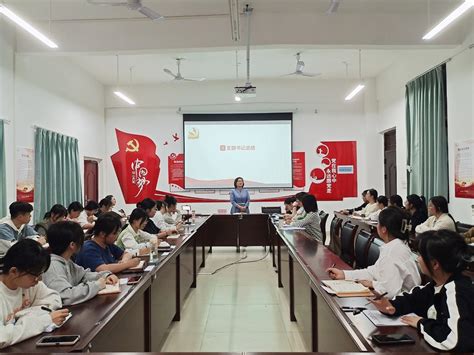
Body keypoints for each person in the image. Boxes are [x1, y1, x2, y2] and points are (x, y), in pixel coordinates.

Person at [370, 230, 474, 352]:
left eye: (420, 255)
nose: (417, 259)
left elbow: (452, 340)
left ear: (435, 264)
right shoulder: (436, 284)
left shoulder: (458, 291)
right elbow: (413, 299)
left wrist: (421, 323)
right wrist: (391, 306)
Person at [327, 207, 421, 299]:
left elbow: (388, 292)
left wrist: (372, 284)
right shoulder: (395, 246)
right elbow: (374, 272)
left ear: (384, 229)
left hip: (403, 306)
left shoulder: (393, 252)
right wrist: (344, 274)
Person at [0, 239, 69, 349]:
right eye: (35, 275)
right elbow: (2, 338)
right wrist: (44, 320)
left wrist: (25, 316)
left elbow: (54, 298)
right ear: (14, 271)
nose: (39, 280)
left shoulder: (28, 284)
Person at [42, 221, 119, 306]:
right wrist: (97, 285)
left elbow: (83, 275)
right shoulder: (53, 266)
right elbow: (66, 296)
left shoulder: (66, 261)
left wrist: (105, 276)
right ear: (72, 245)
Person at [75, 212, 140, 273]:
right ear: (102, 234)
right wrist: (128, 264)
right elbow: (102, 269)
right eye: (114, 233)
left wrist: (124, 261)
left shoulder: (108, 244)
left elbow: (126, 254)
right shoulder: (88, 248)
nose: (117, 236)